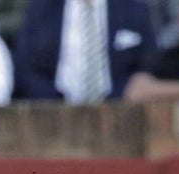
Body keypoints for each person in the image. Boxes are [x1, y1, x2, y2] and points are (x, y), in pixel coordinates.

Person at [11, 0, 156, 103]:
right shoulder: (41, 9)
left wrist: (120, 96)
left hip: (120, 115)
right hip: (54, 116)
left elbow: (150, 65)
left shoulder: (134, 10)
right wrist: (57, 102)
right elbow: (25, 69)